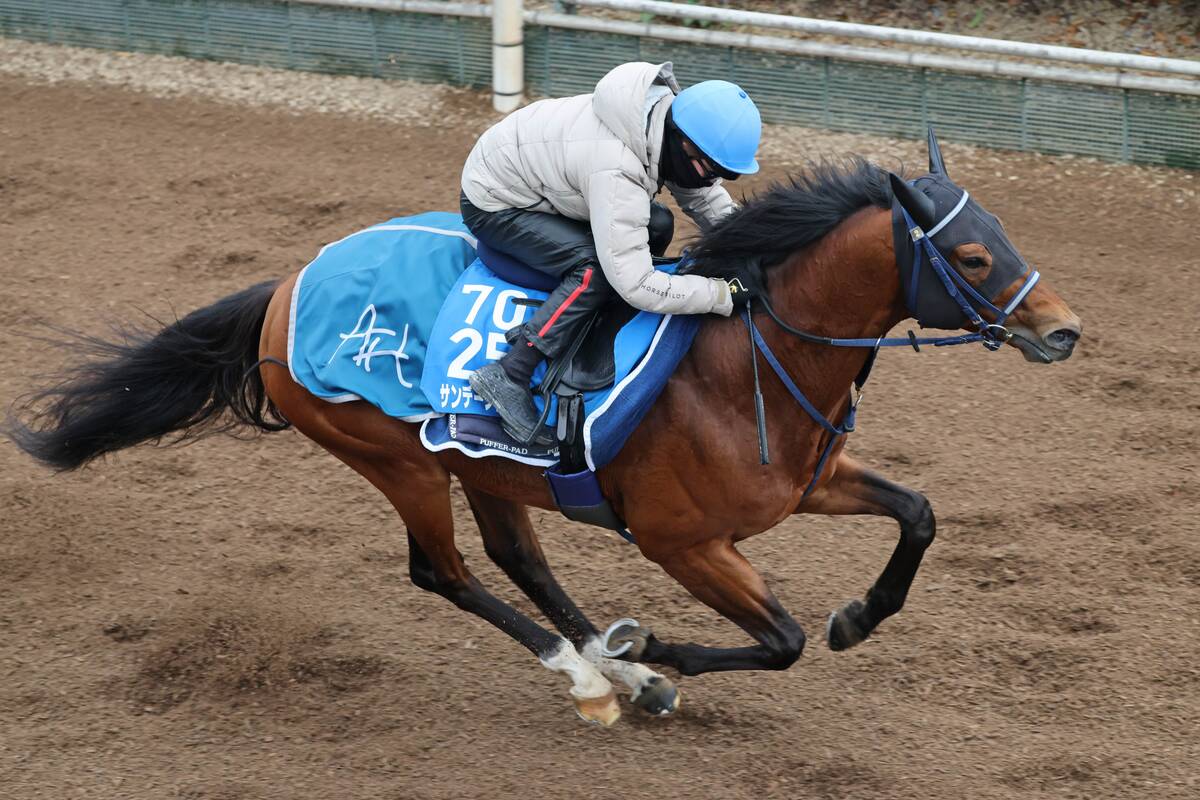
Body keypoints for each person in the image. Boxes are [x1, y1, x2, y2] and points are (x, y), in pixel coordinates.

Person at [460, 61, 762, 445]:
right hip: (496, 201)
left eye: (725, 174)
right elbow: (634, 282)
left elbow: (701, 193)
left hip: (540, 173)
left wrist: (755, 246)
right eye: (711, 169)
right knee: (597, 269)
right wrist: (721, 294)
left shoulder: (662, 125)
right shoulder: (618, 167)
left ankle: (579, 316)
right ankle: (511, 372)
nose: (713, 180)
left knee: (657, 224)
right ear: (682, 141)